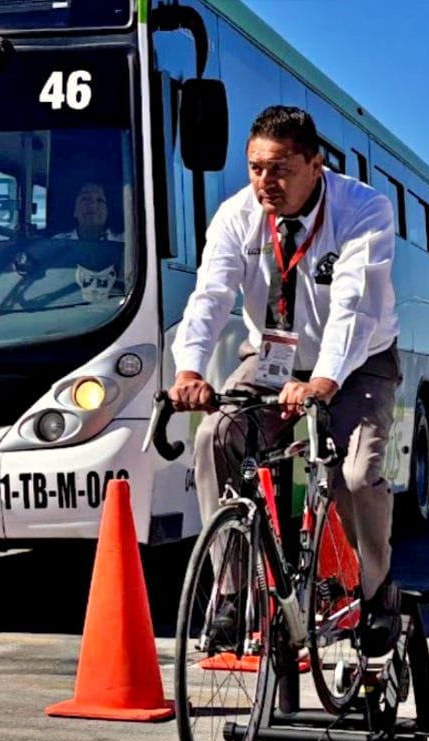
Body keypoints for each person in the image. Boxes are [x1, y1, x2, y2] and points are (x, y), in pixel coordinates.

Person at [168, 105, 403, 657]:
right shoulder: (236, 215)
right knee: (215, 437)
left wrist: (324, 382)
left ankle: (375, 593)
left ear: (315, 165)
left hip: (359, 358)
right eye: (254, 168)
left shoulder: (364, 209)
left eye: (279, 169)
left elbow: (354, 306)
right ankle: (229, 592)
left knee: (356, 471)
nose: (264, 183)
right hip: (272, 356)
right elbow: (210, 297)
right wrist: (190, 369)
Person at [52, 182, 123, 242]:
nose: (93, 205)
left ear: (108, 211)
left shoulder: (125, 241)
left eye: (100, 200)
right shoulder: (57, 243)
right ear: (74, 210)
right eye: (85, 199)